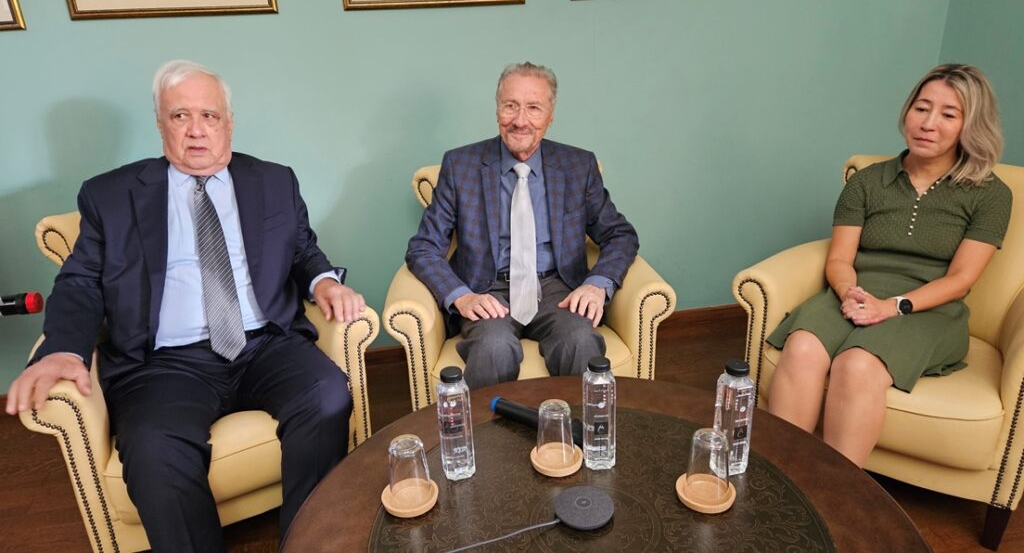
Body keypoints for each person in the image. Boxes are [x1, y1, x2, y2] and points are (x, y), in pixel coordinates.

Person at [5, 60, 366, 552]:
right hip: (163, 362)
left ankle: (308, 542)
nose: (197, 130)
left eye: (209, 116)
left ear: (229, 122)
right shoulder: (110, 195)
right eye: (180, 116)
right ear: (160, 123)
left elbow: (301, 248)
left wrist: (323, 281)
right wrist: (64, 349)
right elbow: (80, 281)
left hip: (264, 344)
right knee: (154, 448)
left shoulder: (274, 180)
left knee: (327, 396)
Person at [765, 64, 1012, 467]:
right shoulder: (867, 181)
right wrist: (848, 292)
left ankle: (836, 492)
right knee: (803, 347)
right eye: (921, 108)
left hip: (930, 308)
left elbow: (961, 279)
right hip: (858, 291)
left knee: (857, 365)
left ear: (971, 126)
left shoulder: (990, 194)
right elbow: (840, 258)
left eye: (948, 114)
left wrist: (893, 306)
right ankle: (781, 479)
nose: (928, 124)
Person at [405, 62, 639, 389]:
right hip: (487, 290)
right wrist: (462, 296)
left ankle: (580, 424)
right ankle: (486, 426)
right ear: (497, 110)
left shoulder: (578, 166)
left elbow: (620, 234)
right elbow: (423, 248)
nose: (520, 120)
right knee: (493, 348)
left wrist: (598, 284)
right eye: (510, 106)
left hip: (559, 289)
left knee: (579, 341)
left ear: (550, 116)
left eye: (533, 108)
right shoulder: (460, 166)